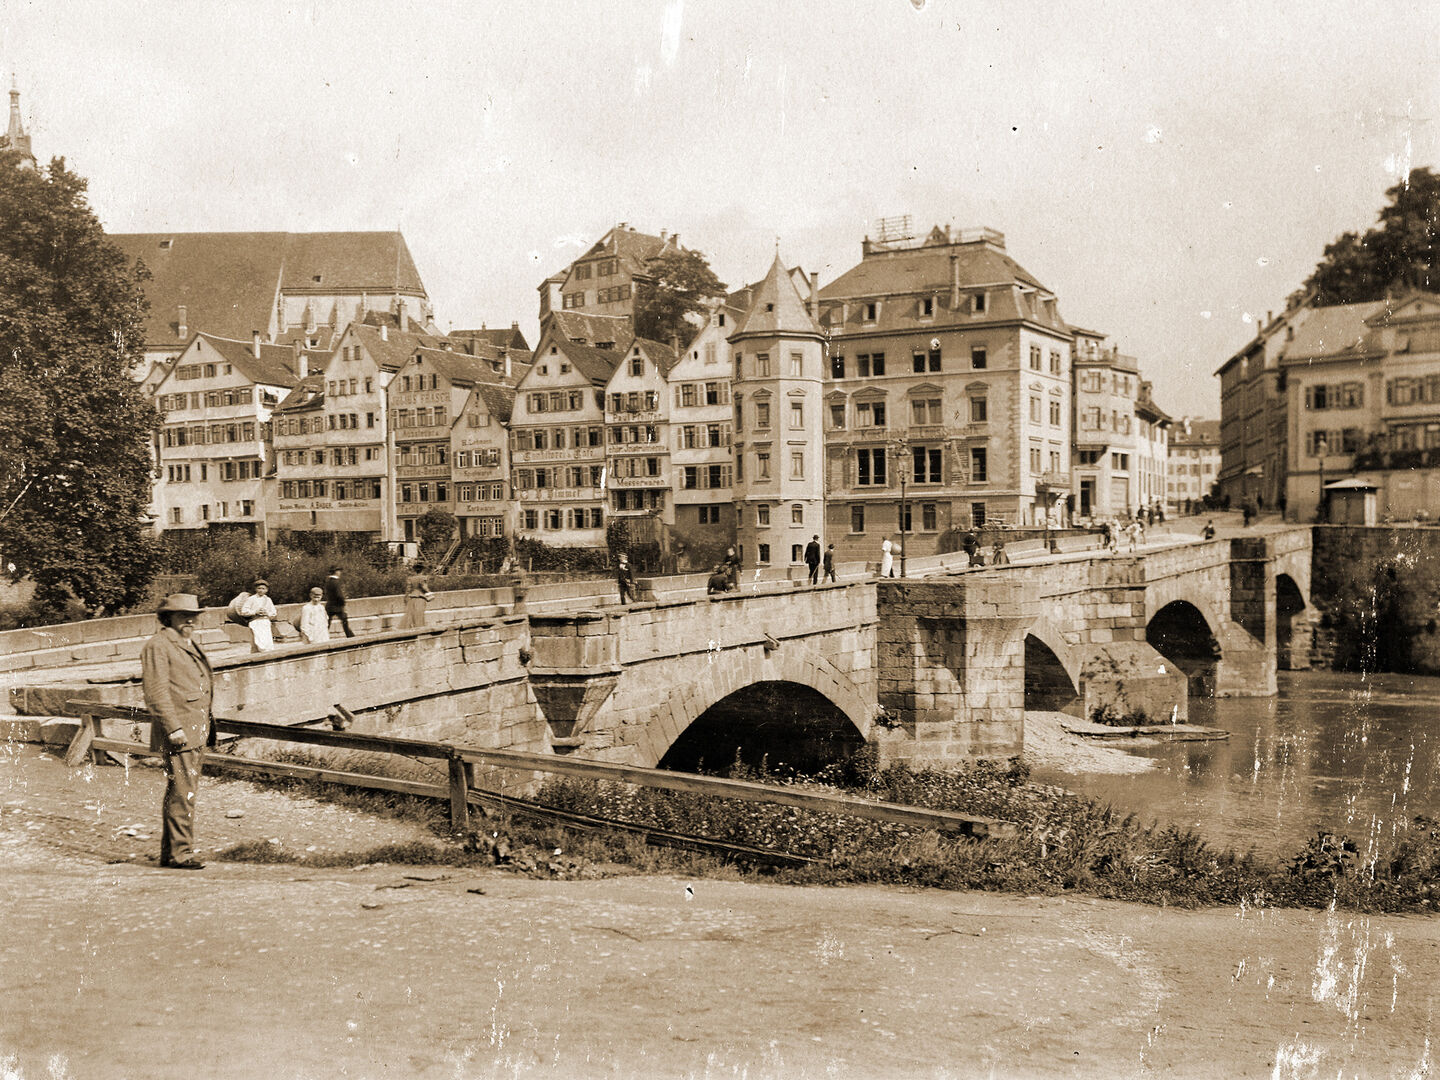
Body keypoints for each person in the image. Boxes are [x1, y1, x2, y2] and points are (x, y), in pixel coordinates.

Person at [141, 594, 214, 870]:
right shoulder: (158, 645)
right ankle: (180, 854)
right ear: (168, 617)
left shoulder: (185, 642)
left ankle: (172, 852)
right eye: (183, 615)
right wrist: (173, 727)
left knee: (183, 790)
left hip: (194, 727)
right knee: (183, 793)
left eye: (193, 616)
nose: (190, 621)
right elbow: (156, 692)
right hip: (181, 730)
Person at [239, 579, 277, 652]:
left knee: (267, 642)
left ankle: (266, 656)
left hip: (265, 622)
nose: (261, 590)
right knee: (258, 641)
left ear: (266, 590)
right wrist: (255, 612)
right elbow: (243, 612)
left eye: (263, 588)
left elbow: (274, 612)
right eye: (259, 588)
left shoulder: (268, 599)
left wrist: (267, 613)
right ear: (256, 589)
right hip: (255, 622)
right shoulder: (251, 599)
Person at [324, 566, 354, 638]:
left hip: (329, 605)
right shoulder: (336, 582)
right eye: (339, 571)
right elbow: (339, 595)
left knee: (327, 623)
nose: (340, 572)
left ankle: (322, 636)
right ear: (336, 572)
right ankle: (351, 637)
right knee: (345, 622)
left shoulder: (328, 581)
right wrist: (343, 603)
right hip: (337, 606)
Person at [402, 564, 433, 628]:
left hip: (412, 598)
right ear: (422, 570)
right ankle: (420, 627)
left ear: (415, 570)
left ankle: (412, 628)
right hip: (420, 597)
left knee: (412, 615)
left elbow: (408, 590)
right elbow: (424, 587)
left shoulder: (410, 578)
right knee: (419, 614)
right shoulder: (423, 578)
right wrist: (429, 593)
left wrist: (405, 598)